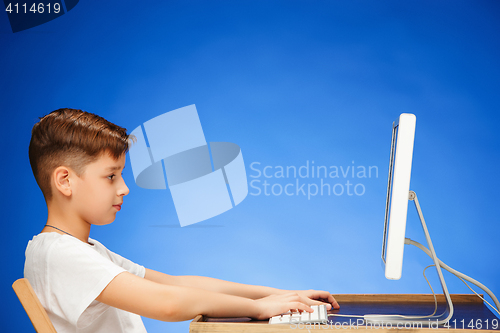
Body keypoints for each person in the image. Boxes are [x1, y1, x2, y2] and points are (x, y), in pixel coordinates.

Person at [24, 108, 339, 332]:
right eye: (110, 176)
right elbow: (168, 303)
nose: (124, 188)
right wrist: (260, 308)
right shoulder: (58, 254)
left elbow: (175, 284)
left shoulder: (84, 250)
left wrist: (276, 295)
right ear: (65, 181)